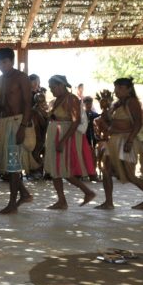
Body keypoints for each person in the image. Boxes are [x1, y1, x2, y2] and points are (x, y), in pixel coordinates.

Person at [94, 78, 143, 211]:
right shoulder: (117, 104)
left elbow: (137, 123)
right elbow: (107, 121)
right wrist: (106, 106)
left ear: (129, 89)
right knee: (105, 170)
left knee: (129, 175)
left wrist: (130, 141)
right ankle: (108, 202)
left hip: (126, 139)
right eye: (116, 88)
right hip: (114, 140)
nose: (117, 91)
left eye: (120, 88)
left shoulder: (132, 102)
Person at [0, 48, 35, 214]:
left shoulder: (21, 77)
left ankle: (12, 203)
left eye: (4, 62)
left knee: (13, 166)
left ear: (12, 61)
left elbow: (27, 104)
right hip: (5, 122)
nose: (1, 66)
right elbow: (3, 103)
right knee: (10, 164)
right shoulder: (1, 79)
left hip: (18, 122)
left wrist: (22, 127)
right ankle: (23, 194)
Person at [44, 75, 96, 209]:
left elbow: (76, 121)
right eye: (50, 88)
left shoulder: (71, 99)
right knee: (55, 170)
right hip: (55, 135)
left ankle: (87, 192)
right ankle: (62, 200)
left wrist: (63, 141)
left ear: (61, 85)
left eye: (53, 87)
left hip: (64, 136)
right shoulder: (57, 100)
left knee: (63, 170)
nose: (51, 90)